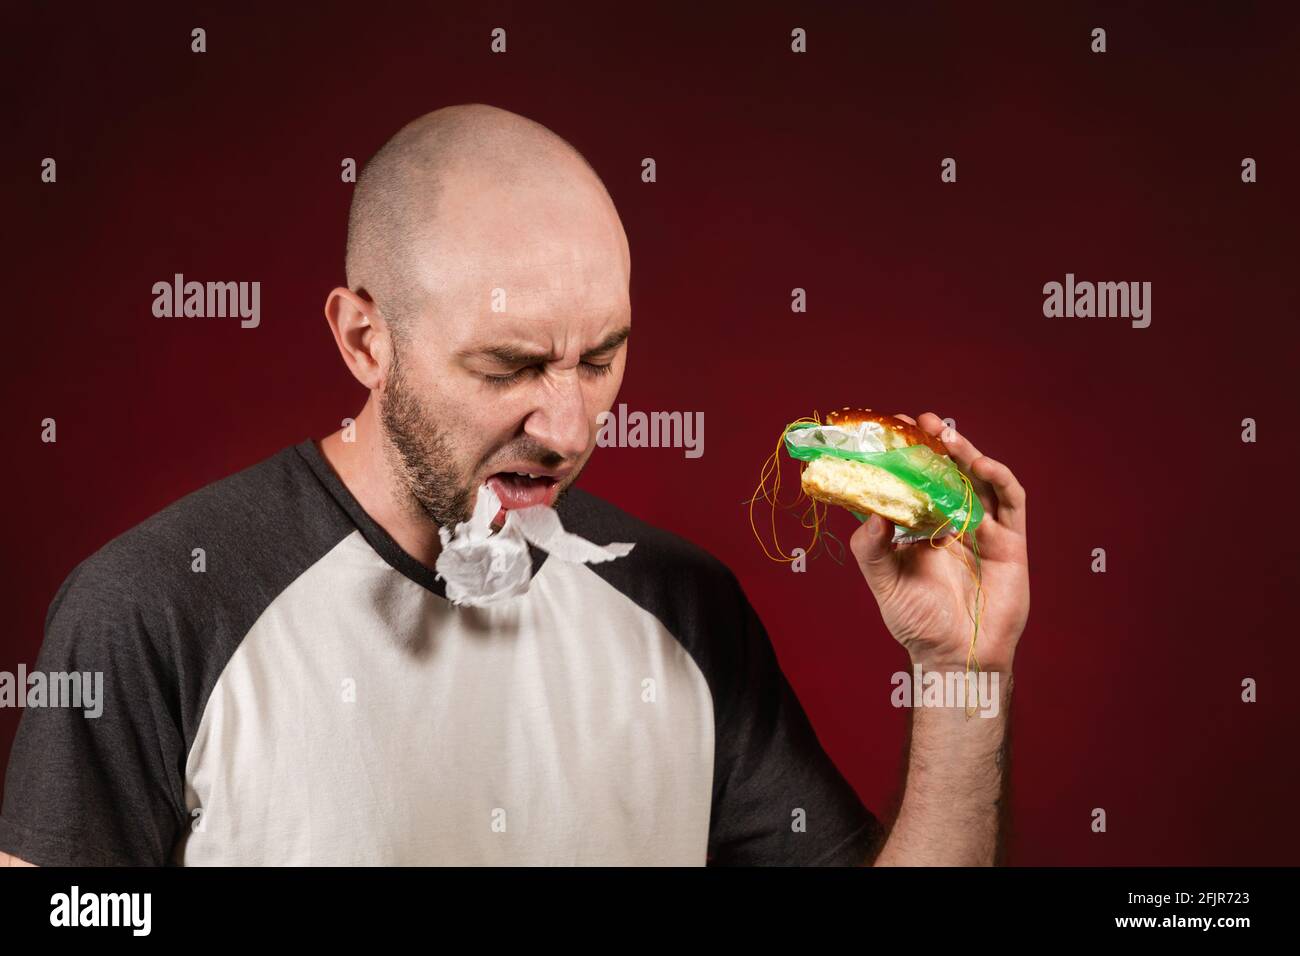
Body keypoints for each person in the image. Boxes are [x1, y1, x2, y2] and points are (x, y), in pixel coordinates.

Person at [0, 103, 1028, 866]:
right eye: (509, 367)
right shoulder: (152, 607)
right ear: (365, 338)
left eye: (600, 359)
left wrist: (961, 673)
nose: (570, 428)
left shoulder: (684, 606)